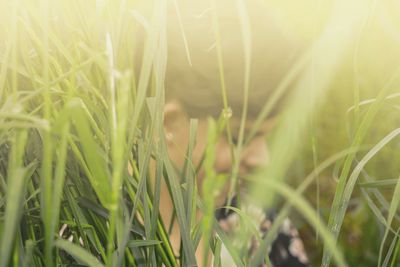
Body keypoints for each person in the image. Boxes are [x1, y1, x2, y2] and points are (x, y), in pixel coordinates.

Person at [158, 0, 310, 266]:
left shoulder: (262, 228)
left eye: (267, 136)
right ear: (169, 124)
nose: (263, 158)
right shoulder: (90, 240)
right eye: (241, 137)